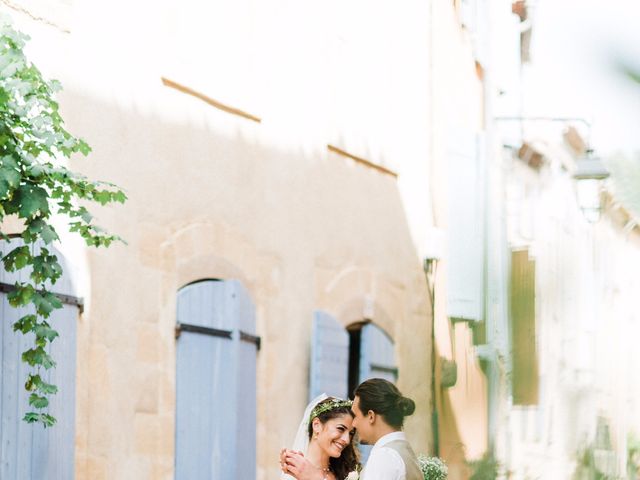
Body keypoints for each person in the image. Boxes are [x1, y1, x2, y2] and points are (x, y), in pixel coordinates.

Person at [351, 378, 422, 480]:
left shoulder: (384, 457)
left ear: (371, 416)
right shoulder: (403, 452)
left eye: (355, 416)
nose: (353, 424)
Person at [280, 395, 361, 480]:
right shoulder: (294, 474)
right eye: (340, 429)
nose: (347, 440)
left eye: (351, 433)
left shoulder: (347, 473)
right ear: (316, 425)